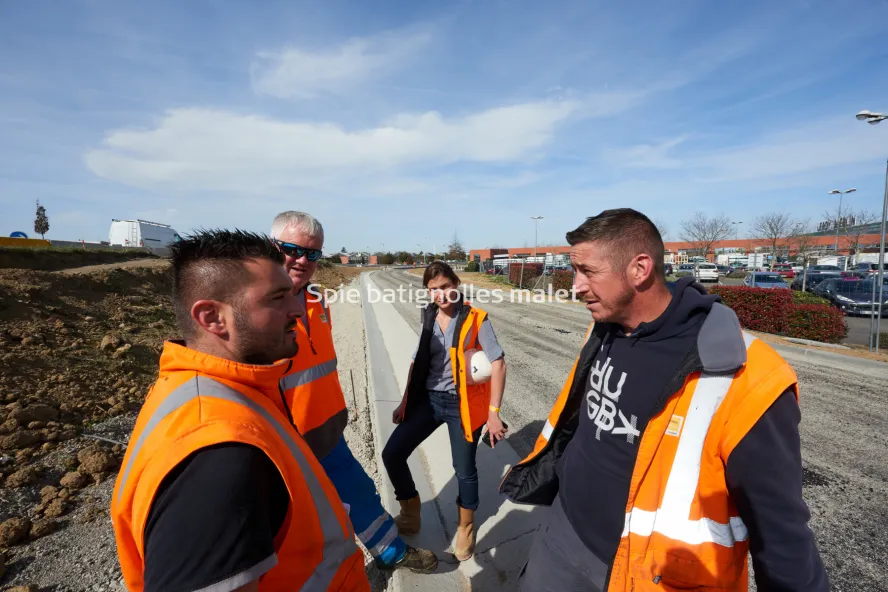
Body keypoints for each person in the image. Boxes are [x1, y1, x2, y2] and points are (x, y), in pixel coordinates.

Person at [500, 209, 829, 592]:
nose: (576, 286)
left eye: (588, 271)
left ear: (640, 269)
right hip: (561, 537)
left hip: (648, 576)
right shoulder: (605, 327)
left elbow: (781, 535)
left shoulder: (745, 375)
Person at [111, 229, 369, 591]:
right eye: (277, 298)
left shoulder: (212, 388)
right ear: (212, 318)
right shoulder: (218, 456)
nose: (296, 308)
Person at [270, 211, 437, 574]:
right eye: (292, 249)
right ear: (273, 247)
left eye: (313, 254)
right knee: (296, 528)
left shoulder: (317, 299)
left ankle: (390, 552)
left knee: (361, 494)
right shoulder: (257, 307)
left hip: (327, 431)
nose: (303, 260)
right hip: (286, 445)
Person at [382, 261, 507, 561]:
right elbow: (417, 360)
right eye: (433, 289)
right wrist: (404, 401)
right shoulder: (428, 317)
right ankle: (410, 512)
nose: (440, 294)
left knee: (463, 469)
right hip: (428, 401)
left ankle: (465, 526)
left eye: (445, 287)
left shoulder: (476, 318)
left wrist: (493, 412)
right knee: (393, 453)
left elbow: (499, 362)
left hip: (461, 405)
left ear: (456, 284)